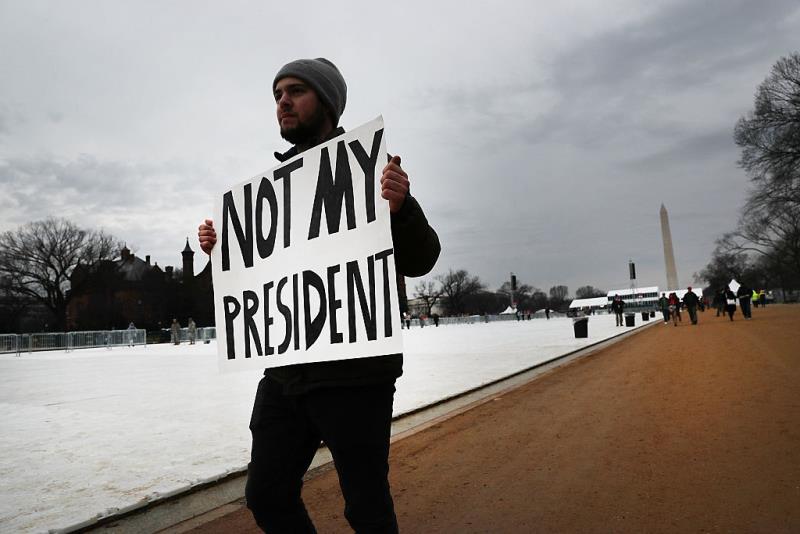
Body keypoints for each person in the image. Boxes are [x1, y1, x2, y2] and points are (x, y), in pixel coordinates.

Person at [197, 58, 440, 533]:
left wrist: (402, 208)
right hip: (286, 373)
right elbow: (254, 288)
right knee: (265, 496)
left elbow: (422, 259)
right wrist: (221, 255)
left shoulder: (368, 172)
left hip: (356, 375)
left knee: (366, 507)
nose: (282, 102)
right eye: (276, 95)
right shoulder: (272, 193)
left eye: (295, 91)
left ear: (326, 102)